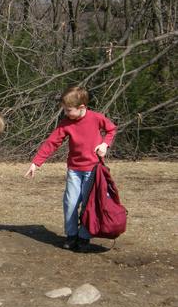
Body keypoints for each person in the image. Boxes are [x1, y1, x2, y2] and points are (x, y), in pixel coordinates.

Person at [24, 86, 117, 252]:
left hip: (93, 170)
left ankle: (84, 236)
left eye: (68, 110)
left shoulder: (96, 118)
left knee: (89, 205)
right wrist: (36, 163)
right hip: (74, 170)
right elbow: (52, 143)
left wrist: (105, 144)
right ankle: (72, 235)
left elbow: (111, 129)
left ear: (81, 108)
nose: (65, 114)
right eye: (64, 110)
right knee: (70, 203)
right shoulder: (66, 123)